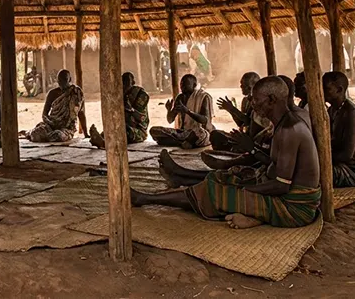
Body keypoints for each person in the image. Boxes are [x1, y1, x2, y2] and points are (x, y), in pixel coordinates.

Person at [131, 76, 321, 229]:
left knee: (215, 192)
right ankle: (251, 213)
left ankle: (146, 199)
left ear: (272, 100)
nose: (253, 104)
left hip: (293, 207)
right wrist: (252, 149)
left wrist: (242, 190)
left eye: (256, 100)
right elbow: (274, 163)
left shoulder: (291, 130)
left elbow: (282, 185)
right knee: (218, 178)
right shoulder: (283, 125)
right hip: (280, 192)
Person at [322, 71, 355, 187]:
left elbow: (346, 155)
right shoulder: (332, 110)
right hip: (340, 165)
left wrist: (319, 158)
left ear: (339, 90)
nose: (322, 92)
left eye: (326, 89)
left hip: (354, 172)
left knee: (309, 171)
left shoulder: (352, 114)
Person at [149, 74, 214, 148]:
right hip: (183, 133)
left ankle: (179, 141)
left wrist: (187, 111)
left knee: (200, 133)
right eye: (181, 84)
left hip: (200, 133)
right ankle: (185, 142)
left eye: (185, 84)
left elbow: (205, 120)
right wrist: (169, 110)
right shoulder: (180, 97)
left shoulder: (204, 97)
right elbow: (170, 120)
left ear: (194, 85)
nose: (182, 86)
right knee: (154, 130)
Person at [208, 72, 266, 151]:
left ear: (254, 87)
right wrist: (230, 110)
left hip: (254, 140)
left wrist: (232, 109)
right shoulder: (245, 101)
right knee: (215, 135)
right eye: (241, 84)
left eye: (244, 85)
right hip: (244, 137)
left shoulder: (260, 102)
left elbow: (249, 121)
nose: (241, 86)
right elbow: (241, 123)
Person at [90, 72, 148, 148]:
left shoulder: (140, 94)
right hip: (120, 127)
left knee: (124, 131)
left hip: (138, 131)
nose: (125, 86)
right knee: (110, 130)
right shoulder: (119, 94)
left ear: (133, 83)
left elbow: (141, 118)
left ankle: (104, 144)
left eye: (127, 83)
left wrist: (130, 109)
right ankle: (99, 139)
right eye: (123, 83)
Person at [27, 69, 87, 142]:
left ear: (70, 79)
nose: (62, 83)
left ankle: (47, 136)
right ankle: (33, 133)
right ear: (57, 81)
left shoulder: (76, 93)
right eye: (60, 81)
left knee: (58, 135)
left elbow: (81, 113)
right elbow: (44, 114)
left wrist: (86, 133)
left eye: (65, 80)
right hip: (51, 125)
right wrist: (50, 123)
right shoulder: (52, 93)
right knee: (35, 134)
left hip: (67, 128)